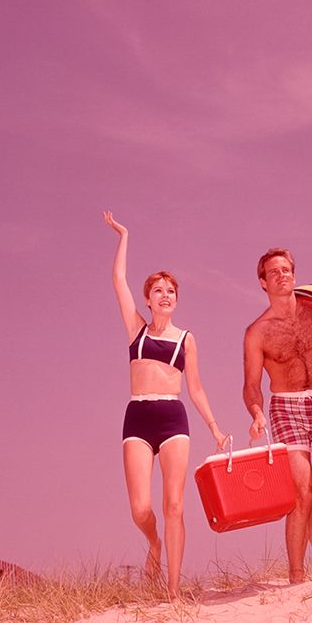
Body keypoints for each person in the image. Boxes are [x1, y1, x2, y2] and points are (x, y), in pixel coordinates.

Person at [104, 211, 228, 599]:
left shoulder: (186, 339)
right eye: (158, 290)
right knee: (141, 509)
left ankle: (172, 590)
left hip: (174, 419)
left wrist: (214, 428)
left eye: (171, 291)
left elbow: (197, 390)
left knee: (174, 504)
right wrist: (124, 234)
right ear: (149, 299)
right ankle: (154, 543)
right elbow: (118, 281)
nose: (165, 295)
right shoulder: (135, 329)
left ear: (176, 299)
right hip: (137, 417)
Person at [243, 248, 312, 584]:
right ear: (263, 282)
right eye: (273, 272)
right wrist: (256, 412)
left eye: (286, 270)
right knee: (300, 493)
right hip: (285, 408)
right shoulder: (257, 332)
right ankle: (296, 576)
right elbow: (251, 384)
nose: (282, 275)